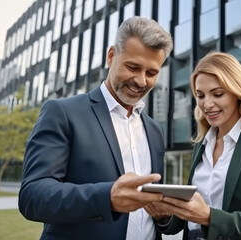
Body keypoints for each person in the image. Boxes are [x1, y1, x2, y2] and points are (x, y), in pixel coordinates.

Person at [18, 16, 173, 240]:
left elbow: (153, 212)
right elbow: (33, 196)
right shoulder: (62, 113)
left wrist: (163, 216)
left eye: (151, 73)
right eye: (133, 67)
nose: (141, 81)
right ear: (111, 56)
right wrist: (107, 198)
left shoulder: (154, 130)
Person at [149, 52, 241, 240]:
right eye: (200, 95)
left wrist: (210, 218)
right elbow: (189, 219)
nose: (207, 104)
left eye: (217, 94)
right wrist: (163, 214)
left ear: (238, 92)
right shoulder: (202, 144)